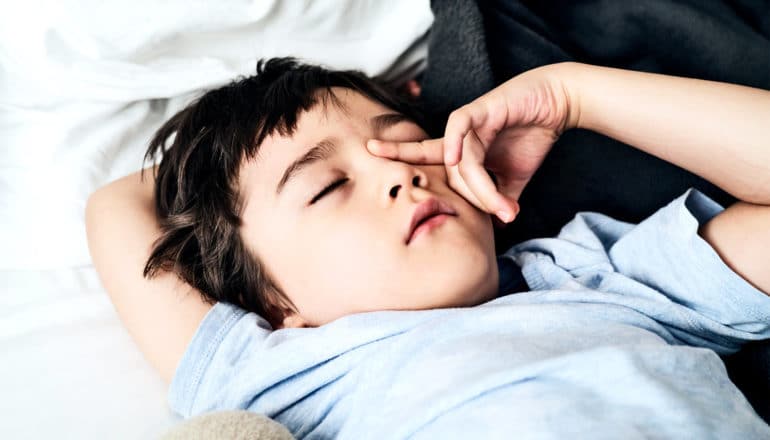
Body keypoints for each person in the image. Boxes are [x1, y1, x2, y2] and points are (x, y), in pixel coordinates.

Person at [85, 58, 770, 438]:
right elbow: (115, 207)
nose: (400, 171)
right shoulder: (281, 369)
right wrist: (218, 167)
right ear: (270, 298)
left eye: (408, 139)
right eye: (327, 186)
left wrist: (573, 92)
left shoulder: (590, 280)